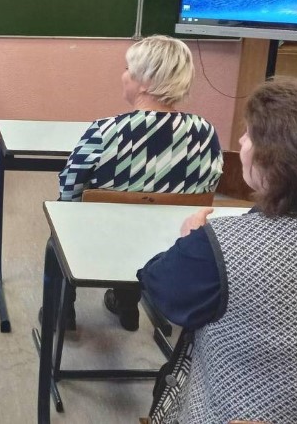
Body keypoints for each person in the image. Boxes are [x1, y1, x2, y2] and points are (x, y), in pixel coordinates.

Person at [138, 77, 297, 424]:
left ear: (277, 164)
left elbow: (159, 289)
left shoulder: (218, 248)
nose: (240, 142)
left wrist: (190, 242)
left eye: (250, 135)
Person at [58, 35, 222, 330]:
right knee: (141, 222)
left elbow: (69, 189)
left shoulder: (105, 131)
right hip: (171, 241)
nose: (123, 75)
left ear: (144, 82)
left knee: (57, 232)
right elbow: (208, 187)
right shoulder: (204, 132)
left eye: (127, 69)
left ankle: (62, 311)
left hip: (100, 237)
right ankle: (126, 302)